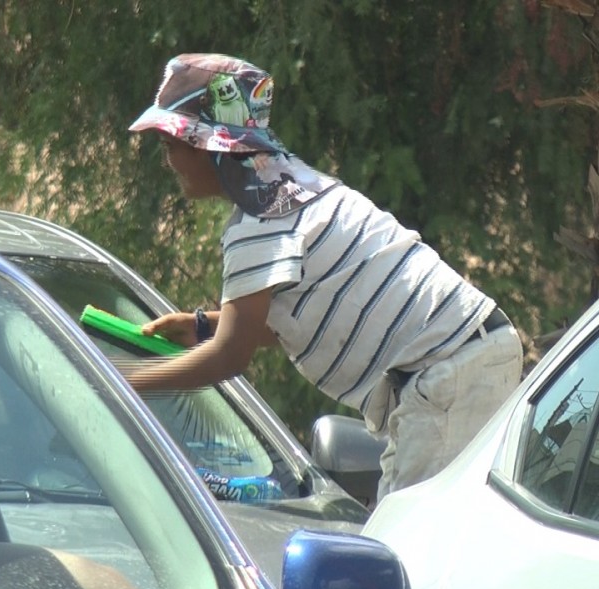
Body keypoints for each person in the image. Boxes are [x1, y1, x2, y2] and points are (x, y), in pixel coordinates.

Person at [126, 53, 524, 502]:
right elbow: (309, 313)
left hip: (444, 373)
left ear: (207, 146)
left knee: (405, 556)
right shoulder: (293, 185)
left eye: (171, 145)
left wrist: (119, 384)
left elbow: (230, 357)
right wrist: (204, 326)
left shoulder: (257, 222)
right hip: (465, 357)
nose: (168, 160)